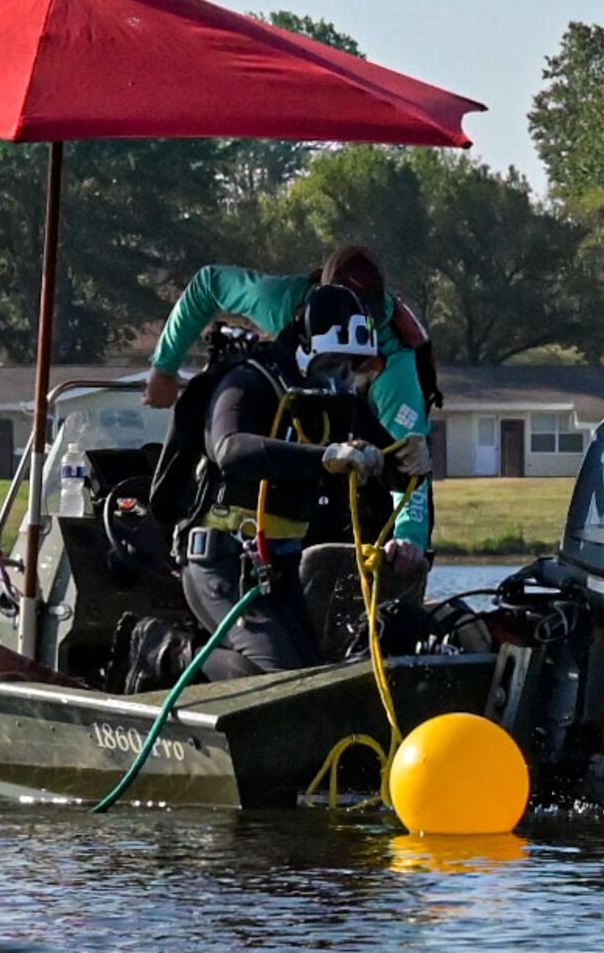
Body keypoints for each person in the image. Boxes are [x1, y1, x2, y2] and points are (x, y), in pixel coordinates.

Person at [179, 284, 431, 679]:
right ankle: (170, 654)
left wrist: (411, 461)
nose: (340, 377)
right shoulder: (248, 382)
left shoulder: (340, 402)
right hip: (220, 563)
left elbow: (388, 463)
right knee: (278, 679)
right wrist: (326, 456)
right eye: (332, 362)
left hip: (280, 567)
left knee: (314, 679)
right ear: (305, 349)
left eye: (351, 366)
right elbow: (229, 449)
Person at [145, 248, 437, 547]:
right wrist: (164, 366)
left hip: (364, 418)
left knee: (387, 483)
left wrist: (408, 541)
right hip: (288, 426)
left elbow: (409, 462)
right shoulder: (280, 300)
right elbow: (208, 284)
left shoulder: (395, 365)